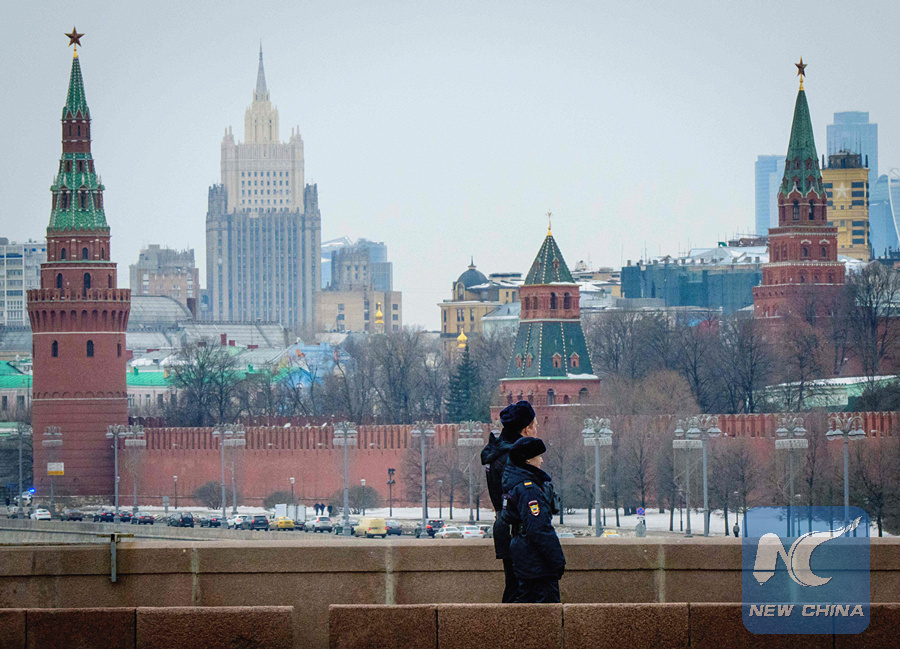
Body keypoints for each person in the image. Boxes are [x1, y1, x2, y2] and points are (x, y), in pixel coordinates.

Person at [481, 400, 536, 603]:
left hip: (504, 526)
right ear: (526, 428)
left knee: (514, 587)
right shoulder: (514, 457)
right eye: (535, 425)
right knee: (521, 592)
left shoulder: (496, 452)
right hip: (519, 531)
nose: (536, 430)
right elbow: (523, 497)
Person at [501, 436, 565, 603]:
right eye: (539, 456)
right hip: (536, 559)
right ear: (528, 459)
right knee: (547, 607)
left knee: (526, 604)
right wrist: (556, 559)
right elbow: (538, 528)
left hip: (524, 552)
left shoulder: (515, 483)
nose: (542, 460)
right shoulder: (529, 489)